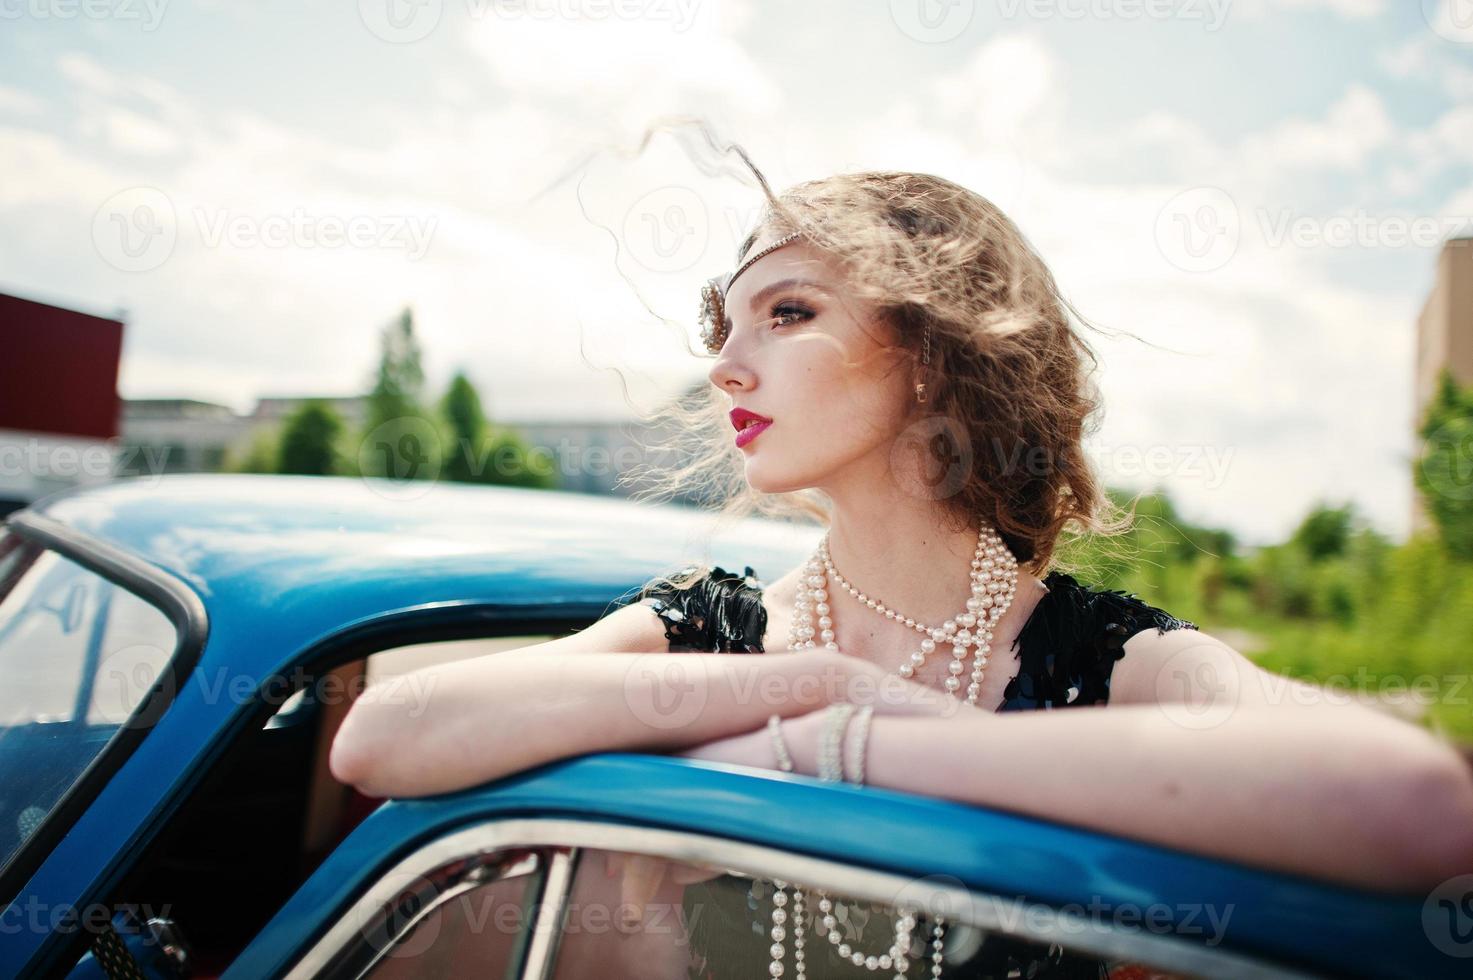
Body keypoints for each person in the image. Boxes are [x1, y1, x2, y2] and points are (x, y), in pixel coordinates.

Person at [330, 171, 1473, 978]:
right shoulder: (712, 632)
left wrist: (848, 736)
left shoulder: (1096, 653)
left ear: (932, 353)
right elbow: (384, 736)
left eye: (787, 312)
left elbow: (1416, 802)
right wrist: (795, 687)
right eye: (723, 324)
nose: (725, 362)